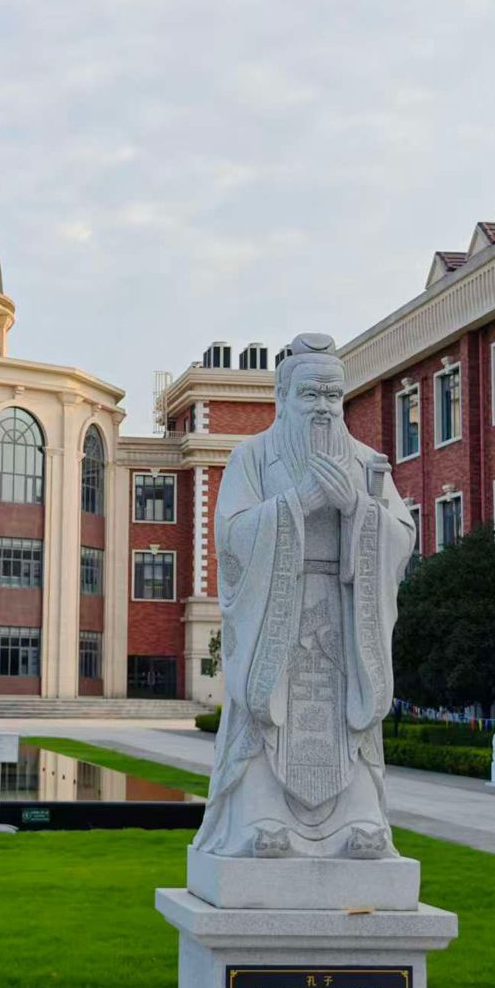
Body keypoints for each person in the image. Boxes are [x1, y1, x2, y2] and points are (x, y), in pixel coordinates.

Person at [194, 333, 415, 859]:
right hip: (277, 615)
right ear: (283, 398)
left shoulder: (366, 464)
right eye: (310, 394)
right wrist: (300, 502)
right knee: (270, 722)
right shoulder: (252, 457)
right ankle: (260, 819)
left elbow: (402, 536)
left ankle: (359, 822)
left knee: (345, 721)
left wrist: (356, 508)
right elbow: (232, 534)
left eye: (333, 396)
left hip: (343, 616)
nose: (323, 408)